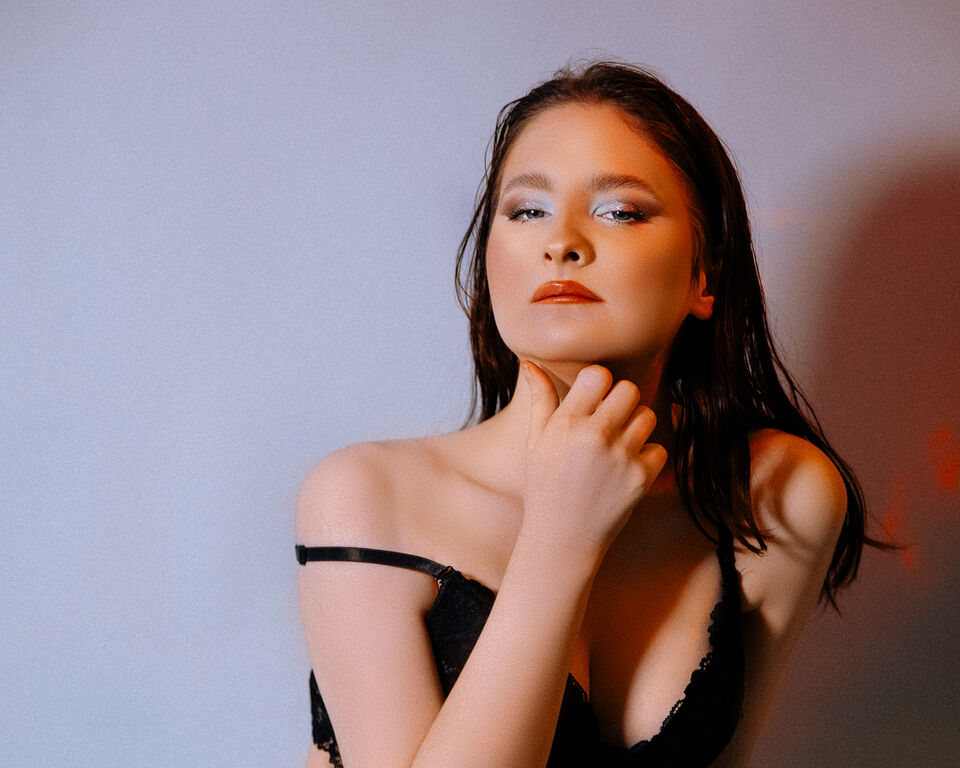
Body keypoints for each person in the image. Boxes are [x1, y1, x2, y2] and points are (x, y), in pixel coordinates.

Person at [295, 61, 872, 768]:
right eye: (526, 210)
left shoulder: (779, 491)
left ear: (705, 274)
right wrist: (561, 534)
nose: (560, 242)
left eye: (620, 211)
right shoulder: (365, 497)